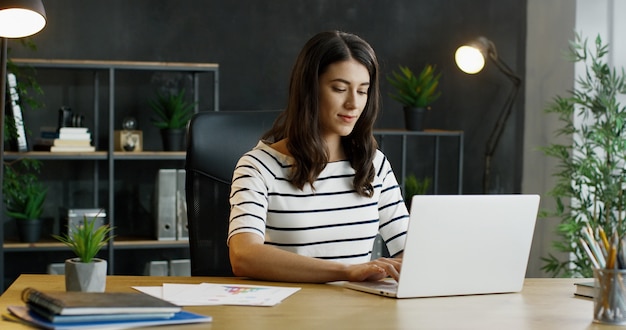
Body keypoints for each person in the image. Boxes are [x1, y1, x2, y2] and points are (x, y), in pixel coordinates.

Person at [228, 30, 409, 283]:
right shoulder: (258, 167)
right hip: (289, 314)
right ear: (309, 90)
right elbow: (243, 256)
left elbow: (410, 251)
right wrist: (346, 272)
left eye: (362, 91)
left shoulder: (374, 164)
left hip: (359, 315)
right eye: (339, 88)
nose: (353, 104)